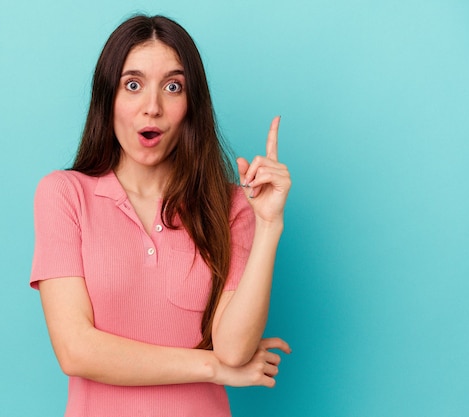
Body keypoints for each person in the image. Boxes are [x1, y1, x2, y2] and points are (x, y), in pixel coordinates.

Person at [30, 14, 292, 417]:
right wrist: (214, 368)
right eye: (132, 85)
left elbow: (235, 348)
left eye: (173, 87)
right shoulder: (65, 194)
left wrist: (269, 223)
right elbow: (76, 350)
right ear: (108, 98)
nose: (151, 108)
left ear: (191, 105)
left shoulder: (231, 205)